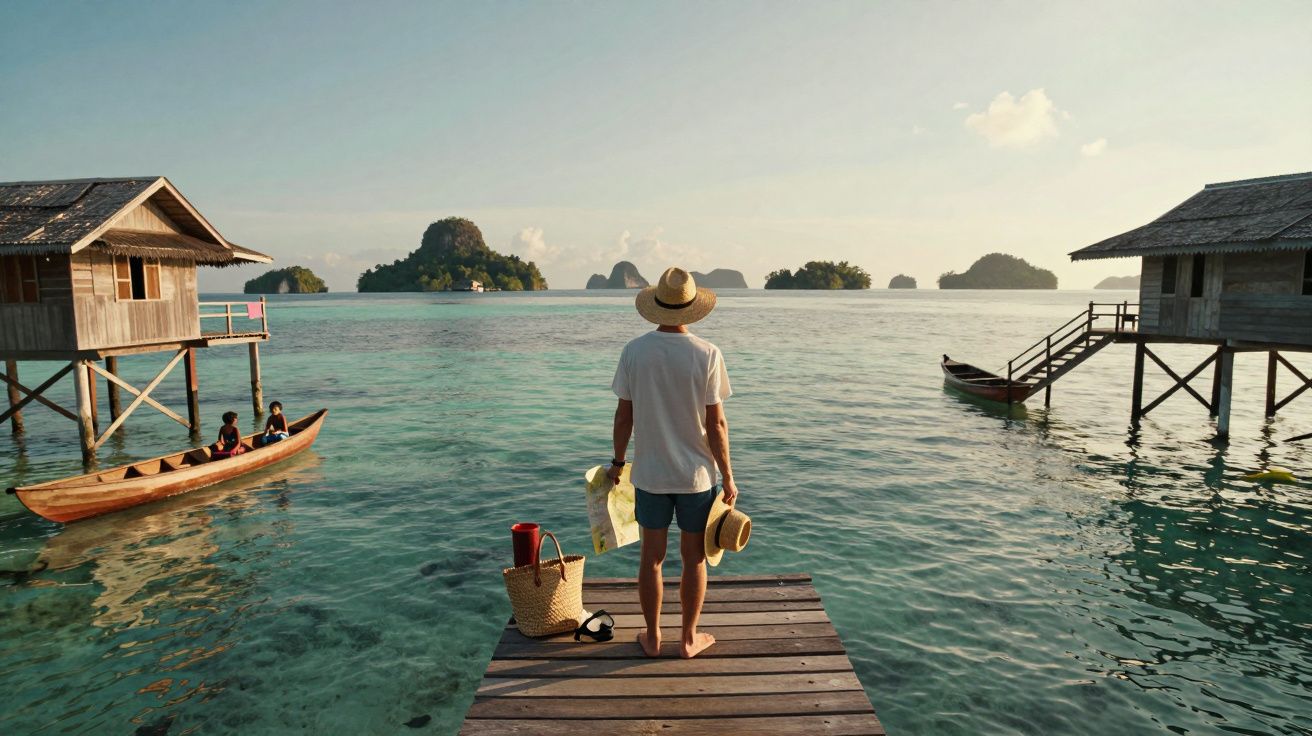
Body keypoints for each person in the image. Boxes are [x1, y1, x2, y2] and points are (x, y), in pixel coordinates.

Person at [608, 267, 737, 660]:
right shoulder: (707, 353)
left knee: (651, 558)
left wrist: (617, 462)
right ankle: (688, 639)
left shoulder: (634, 351)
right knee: (694, 558)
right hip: (697, 477)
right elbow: (716, 424)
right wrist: (729, 477)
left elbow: (624, 417)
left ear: (657, 304)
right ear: (692, 308)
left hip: (650, 475)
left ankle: (652, 637)